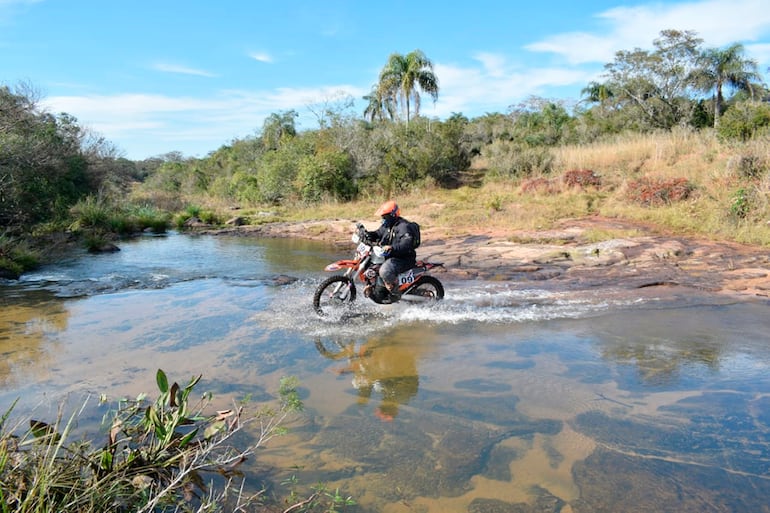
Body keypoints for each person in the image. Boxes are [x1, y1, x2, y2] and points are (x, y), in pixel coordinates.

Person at [363, 200, 418, 296]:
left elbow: (407, 244)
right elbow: (378, 233)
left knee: (384, 271)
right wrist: (368, 234)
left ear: (392, 215)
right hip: (390, 257)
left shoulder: (403, 227)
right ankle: (375, 287)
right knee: (370, 265)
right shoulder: (388, 225)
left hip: (404, 259)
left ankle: (395, 293)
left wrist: (392, 248)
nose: (383, 219)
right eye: (383, 216)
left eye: (385, 216)